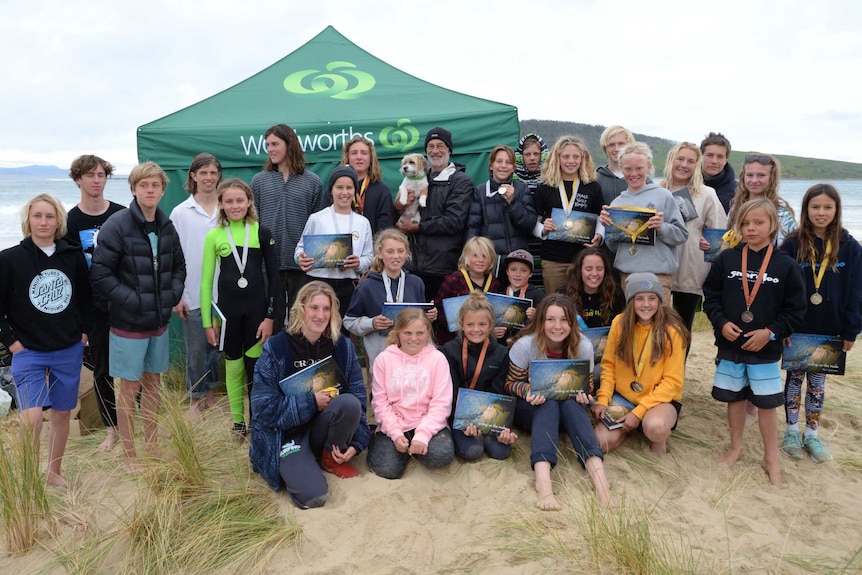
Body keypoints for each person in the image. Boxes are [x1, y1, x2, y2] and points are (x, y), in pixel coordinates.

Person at [703, 199, 807, 485]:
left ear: (772, 225)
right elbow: (710, 296)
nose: (750, 228)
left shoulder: (786, 265)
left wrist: (771, 332)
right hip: (731, 344)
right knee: (734, 399)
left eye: (758, 223)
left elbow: (796, 310)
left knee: (766, 403)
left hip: (765, 347)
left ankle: (770, 457)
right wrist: (721, 323)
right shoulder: (727, 259)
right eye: (746, 223)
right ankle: (736, 447)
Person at [91, 162, 186, 474]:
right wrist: (136, 302)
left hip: (158, 323)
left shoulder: (166, 225)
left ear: (162, 189)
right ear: (133, 189)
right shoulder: (116, 226)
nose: (150, 190)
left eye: (155, 185)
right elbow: (102, 275)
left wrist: (169, 298)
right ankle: (131, 456)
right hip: (128, 324)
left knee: (154, 385)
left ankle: (153, 443)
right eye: (143, 185)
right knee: (129, 389)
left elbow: (178, 268)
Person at [249, 281, 370, 508]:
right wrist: (311, 402)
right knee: (314, 497)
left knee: (350, 403)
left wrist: (358, 443)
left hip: (323, 429)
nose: (320, 315)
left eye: (326, 309)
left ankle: (329, 457)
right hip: (287, 434)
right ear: (301, 308)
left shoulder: (342, 346)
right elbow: (262, 410)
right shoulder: (276, 348)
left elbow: (360, 400)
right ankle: (300, 462)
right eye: (314, 308)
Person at [0, 194, 94, 488]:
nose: (43, 222)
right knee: (30, 419)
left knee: (62, 413)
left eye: (49, 216)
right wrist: (12, 343)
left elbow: (86, 298)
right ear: (28, 220)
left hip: (67, 348)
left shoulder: (72, 255)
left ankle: (53, 473)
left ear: (58, 222)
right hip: (28, 352)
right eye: (37, 216)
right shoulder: (9, 258)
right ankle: (29, 476)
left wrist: (83, 333)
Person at [779, 184, 862, 463]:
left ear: (837, 209)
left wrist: (851, 329)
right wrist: (783, 324)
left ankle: (812, 434)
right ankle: (791, 430)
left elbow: (857, 291)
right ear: (806, 210)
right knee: (794, 379)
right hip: (797, 327)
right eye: (815, 207)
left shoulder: (850, 247)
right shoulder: (792, 243)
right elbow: (780, 287)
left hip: (831, 328)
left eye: (827, 207)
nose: (821, 212)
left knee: (817, 383)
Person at [505, 293, 611, 509]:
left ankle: (602, 484)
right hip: (532, 409)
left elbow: (588, 384)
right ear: (541, 321)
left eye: (564, 319)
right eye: (550, 319)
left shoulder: (583, 346)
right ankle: (543, 485)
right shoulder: (526, 345)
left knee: (572, 403)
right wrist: (527, 390)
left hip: (569, 411)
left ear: (572, 322)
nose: (557, 326)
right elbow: (510, 383)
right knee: (549, 403)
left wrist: (585, 394)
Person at [201, 178, 280, 436]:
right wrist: (206, 322)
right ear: (221, 205)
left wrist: (270, 317)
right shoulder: (214, 235)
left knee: (255, 370)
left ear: (249, 202)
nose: (235, 206)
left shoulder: (261, 232)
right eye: (229, 201)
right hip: (228, 316)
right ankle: (238, 422)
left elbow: (275, 280)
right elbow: (205, 284)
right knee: (233, 367)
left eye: (240, 200)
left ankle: (257, 420)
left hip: (257, 315)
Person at [591, 273, 689, 455]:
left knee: (656, 428)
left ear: (660, 301)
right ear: (631, 301)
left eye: (652, 298)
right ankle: (627, 427)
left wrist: (640, 412)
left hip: (659, 401)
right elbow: (609, 365)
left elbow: (673, 381)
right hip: (625, 396)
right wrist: (603, 399)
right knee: (601, 442)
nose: (646, 304)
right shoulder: (619, 323)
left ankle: (650, 431)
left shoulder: (672, 330)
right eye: (639, 299)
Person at [64, 154, 124, 452]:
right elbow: (67, 270)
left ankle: (139, 423)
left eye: (101, 175)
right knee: (102, 368)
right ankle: (112, 429)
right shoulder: (70, 222)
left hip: (126, 303)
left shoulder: (123, 214)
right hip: (93, 307)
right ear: (78, 180)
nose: (96, 180)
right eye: (90, 175)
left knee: (135, 367)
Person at [368, 307, 455, 479]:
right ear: (398, 332)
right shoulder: (383, 360)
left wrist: (423, 435)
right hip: (395, 424)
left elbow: (441, 403)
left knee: (442, 457)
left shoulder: (438, 359)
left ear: (428, 332)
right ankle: (398, 447)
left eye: (420, 333)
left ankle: (412, 448)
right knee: (386, 470)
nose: (414, 339)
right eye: (407, 333)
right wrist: (395, 433)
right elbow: (379, 403)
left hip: (427, 422)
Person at [251, 124, 324, 327]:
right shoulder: (259, 181)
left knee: (301, 322)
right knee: (270, 324)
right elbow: (252, 223)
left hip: (302, 266)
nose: (270, 149)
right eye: (268, 145)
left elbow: (317, 226)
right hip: (267, 265)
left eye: (275, 144)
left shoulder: (313, 182)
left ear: (289, 144)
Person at [596, 142, 688, 303]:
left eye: (639, 168)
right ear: (621, 168)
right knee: (633, 327)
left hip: (658, 276)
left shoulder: (663, 196)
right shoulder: (617, 203)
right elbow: (615, 247)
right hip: (628, 276)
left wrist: (661, 228)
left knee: (660, 326)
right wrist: (609, 228)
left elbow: (681, 235)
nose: (634, 174)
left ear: (649, 167)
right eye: (628, 169)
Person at [169, 153, 223, 418]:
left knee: (216, 349)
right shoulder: (180, 212)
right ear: (193, 176)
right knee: (196, 351)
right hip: (191, 293)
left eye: (213, 173)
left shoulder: (227, 209)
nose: (209, 178)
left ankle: (211, 394)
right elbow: (170, 257)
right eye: (203, 173)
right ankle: (194, 400)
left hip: (223, 294)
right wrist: (176, 295)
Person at [395, 127, 473, 299]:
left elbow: (454, 221)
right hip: (412, 267)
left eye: (440, 146)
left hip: (444, 267)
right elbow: (399, 215)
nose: (435, 151)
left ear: (449, 150)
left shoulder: (460, 181)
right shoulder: (416, 177)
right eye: (430, 146)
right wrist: (399, 207)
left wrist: (417, 227)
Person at [343, 228, 437, 370]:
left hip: (413, 358)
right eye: (390, 251)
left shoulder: (416, 283)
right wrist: (372, 323)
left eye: (400, 251)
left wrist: (428, 315)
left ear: (407, 253)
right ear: (380, 254)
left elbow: (420, 319)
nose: (396, 256)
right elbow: (349, 322)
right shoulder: (366, 287)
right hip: (381, 358)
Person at [660, 143, 727, 333]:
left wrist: (710, 245)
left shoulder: (707, 194)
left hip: (691, 267)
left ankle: (680, 364)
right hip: (660, 264)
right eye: (680, 159)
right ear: (671, 160)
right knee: (659, 324)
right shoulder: (657, 190)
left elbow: (719, 232)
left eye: (690, 161)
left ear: (696, 165)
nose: (684, 165)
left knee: (682, 326)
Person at [442, 292, 516, 461]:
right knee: (472, 452)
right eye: (470, 324)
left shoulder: (501, 352)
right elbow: (449, 392)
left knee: (500, 452)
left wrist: (501, 426)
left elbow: (499, 392)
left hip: (489, 415)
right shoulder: (449, 351)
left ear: (491, 325)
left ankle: (488, 435)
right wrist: (464, 420)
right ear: (461, 324)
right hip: (459, 416)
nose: (476, 330)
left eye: (482, 324)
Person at [296, 166, 373, 319]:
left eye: (349, 187)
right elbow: (300, 248)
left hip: (347, 284)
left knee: (343, 330)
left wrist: (358, 263)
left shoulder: (362, 223)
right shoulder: (317, 218)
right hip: (318, 281)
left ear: (355, 191)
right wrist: (300, 259)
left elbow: (369, 257)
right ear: (331, 190)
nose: (344, 192)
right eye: (339, 187)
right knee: (317, 325)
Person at [533, 136, 604, 295]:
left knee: (581, 305)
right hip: (553, 260)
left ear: (583, 158)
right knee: (555, 303)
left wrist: (598, 236)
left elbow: (600, 218)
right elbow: (534, 220)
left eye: (576, 156)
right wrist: (542, 229)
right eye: (565, 156)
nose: (570, 161)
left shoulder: (592, 186)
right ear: (556, 158)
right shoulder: (545, 187)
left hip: (583, 259)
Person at [467, 144, 537, 257]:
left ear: (513, 167)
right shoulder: (480, 192)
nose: (503, 166)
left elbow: (529, 225)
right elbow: (472, 228)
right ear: (491, 165)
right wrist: (473, 254)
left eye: (508, 162)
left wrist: (512, 202)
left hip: (517, 260)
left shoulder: (521, 189)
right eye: (499, 161)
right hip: (490, 259)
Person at [434, 236, 501, 345]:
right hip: (453, 341)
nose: (480, 260)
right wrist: (459, 328)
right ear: (466, 258)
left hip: (483, 339)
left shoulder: (494, 282)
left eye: (485, 256)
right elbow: (439, 310)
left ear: (491, 259)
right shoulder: (453, 280)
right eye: (475, 256)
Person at [326, 135, 393, 236]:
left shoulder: (382, 191)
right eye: (354, 153)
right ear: (347, 157)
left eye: (364, 153)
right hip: (338, 248)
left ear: (371, 158)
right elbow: (324, 222)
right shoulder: (334, 189)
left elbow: (385, 229)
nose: (359, 157)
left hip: (372, 249)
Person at [727, 154, 796, 247]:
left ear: (771, 177)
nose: (754, 180)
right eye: (750, 175)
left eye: (761, 175)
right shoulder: (735, 208)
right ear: (743, 176)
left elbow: (791, 250)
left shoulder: (781, 213)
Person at [561, 247, 625, 329]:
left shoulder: (616, 293)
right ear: (579, 270)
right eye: (588, 269)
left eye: (599, 269)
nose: (594, 273)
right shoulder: (564, 295)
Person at [497, 249, 544, 344]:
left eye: (523, 270)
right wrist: (493, 331)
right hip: (501, 345)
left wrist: (537, 316)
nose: (517, 274)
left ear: (530, 274)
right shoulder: (499, 295)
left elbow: (545, 322)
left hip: (528, 344)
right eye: (513, 270)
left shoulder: (538, 296)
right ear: (507, 272)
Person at [596, 125, 638, 205]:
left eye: (621, 144)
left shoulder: (642, 178)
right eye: (611, 145)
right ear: (605, 149)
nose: (616, 149)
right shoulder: (596, 179)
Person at [700, 132, 738, 215]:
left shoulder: (737, 191)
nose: (714, 161)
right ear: (701, 156)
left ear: (726, 159)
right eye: (709, 155)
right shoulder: (686, 185)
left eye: (720, 157)